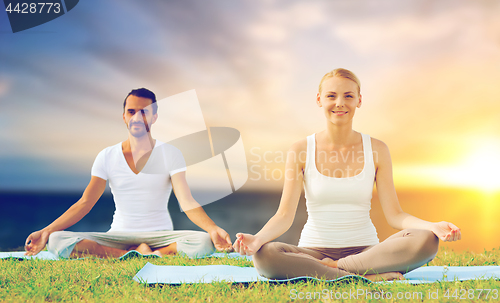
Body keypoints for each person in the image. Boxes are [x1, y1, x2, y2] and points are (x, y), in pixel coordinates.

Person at [233, 68, 461, 281]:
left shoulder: (378, 149)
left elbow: (395, 215)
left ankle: (337, 272)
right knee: (265, 256)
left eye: (348, 96)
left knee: (426, 240)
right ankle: (365, 276)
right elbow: (283, 216)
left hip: (367, 251)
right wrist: (258, 239)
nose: (340, 103)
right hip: (313, 252)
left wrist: (432, 226)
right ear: (319, 99)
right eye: (331, 96)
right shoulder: (300, 150)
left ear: (359, 100)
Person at [25, 88, 232, 259]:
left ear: (154, 117)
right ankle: (136, 254)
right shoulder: (106, 156)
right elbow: (85, 203)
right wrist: (46, 231)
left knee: (204, 241)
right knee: (57, 240)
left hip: (161, 235)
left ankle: (136, 254)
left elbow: (186, 201)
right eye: (132, 111)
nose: (137, 117)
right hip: (118, 234)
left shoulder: (171, 154)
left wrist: (213, 229)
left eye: (144, 112)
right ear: (124, 116)